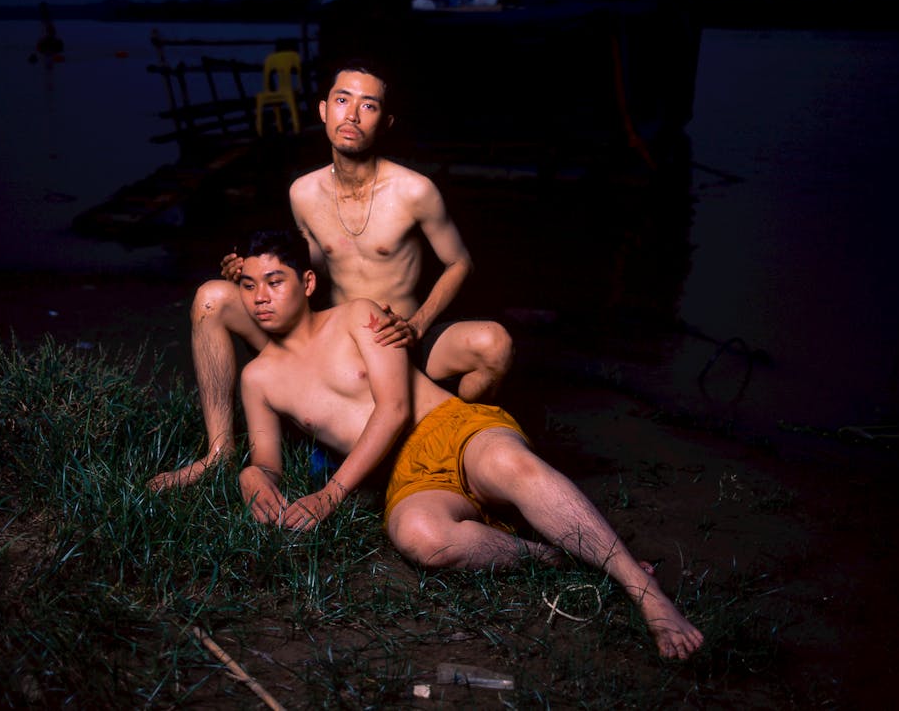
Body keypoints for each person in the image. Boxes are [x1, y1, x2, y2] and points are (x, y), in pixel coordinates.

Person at [233, 230, 704, 662]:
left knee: (509, 462)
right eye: (249, 286)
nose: (261, 298)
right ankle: (556, 557)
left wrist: (330, 494)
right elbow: (267, 460)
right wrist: (252, 474)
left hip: (450, 426)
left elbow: (394, 408)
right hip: (406, 475)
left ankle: (643, 590)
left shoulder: (356, 315)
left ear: (308, 282)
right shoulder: (258, 377)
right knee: (420, 536)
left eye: (275, 281)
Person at [148, 59, 514, 491]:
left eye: (368, 105)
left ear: (385, 121)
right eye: (342, 100)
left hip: (398, 338)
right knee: (212, 298)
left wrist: (417, 325)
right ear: (324, 110)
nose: (352, 115)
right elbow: (312, 268)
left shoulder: (415, 191)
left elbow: (460, 263)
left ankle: (465, 431)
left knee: (494, 344)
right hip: (332, 345)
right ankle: (218, 453)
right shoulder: (303, 192)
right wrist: (248, 270)